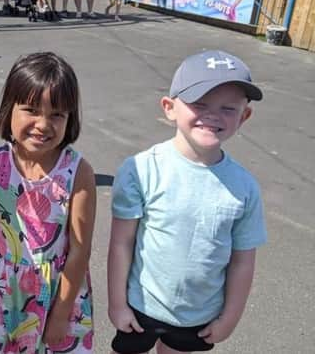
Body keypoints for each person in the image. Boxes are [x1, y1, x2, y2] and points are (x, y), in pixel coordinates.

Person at [107, 50, 266, 354]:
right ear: (169, 108)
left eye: (228, 108)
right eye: (199, 103)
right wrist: (117, 304)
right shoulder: (141, 170)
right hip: (141, 305)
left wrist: (230, 318)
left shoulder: (245, 188)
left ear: (244, 116)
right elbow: (121, 243)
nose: (213, 115)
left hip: (199, 315)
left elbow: (243, 261)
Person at [0, 52, 96, 353]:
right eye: (31, 110)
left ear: (70, 118)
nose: (43, 124)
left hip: (59, 294)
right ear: (10, 109)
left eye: (57, 114)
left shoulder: (78, 172)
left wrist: (61, 314)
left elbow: (79, 249)